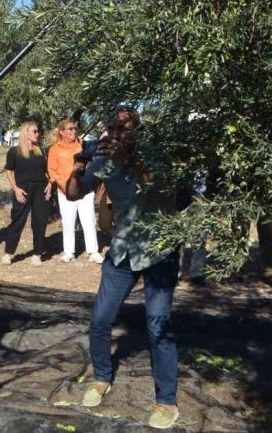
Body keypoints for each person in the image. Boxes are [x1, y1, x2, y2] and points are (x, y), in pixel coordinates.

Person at [67, 106, 181, 430]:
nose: (117, 134)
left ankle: (166, 401)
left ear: (136, 131)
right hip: (123, 252)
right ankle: (102, 378)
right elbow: (73, 192)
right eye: (113, 129)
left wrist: (130, 158)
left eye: (124, 129)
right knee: (100, 319)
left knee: (158, 325)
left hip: (159, 251)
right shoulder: (104, 161)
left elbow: (157, 183)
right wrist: (77, 166)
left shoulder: (155, 155)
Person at [48, 118, 104, 264]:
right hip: (64, 191)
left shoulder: (82, 145)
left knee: (89, 220)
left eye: (74, 128)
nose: (73, 131)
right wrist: (64, 187)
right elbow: (52, 171)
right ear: (62, 132)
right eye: (70, 129)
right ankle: (69, 252)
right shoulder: (55, 149)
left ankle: (93, 251)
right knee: (68, 222)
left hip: (84, 189)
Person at [2, 119, 51, 266]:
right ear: (25, 133)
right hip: (22, 189)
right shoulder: (14, 152)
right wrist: (15, 189)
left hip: (41, 189)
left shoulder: (42, 151)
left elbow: (48, 171)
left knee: (40, 221)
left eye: (38, 131)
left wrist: (50, 184)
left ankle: (37, 253)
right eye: (34, 131)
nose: (38, 134)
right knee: (18, 220)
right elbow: (9, 171)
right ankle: (8, 253)